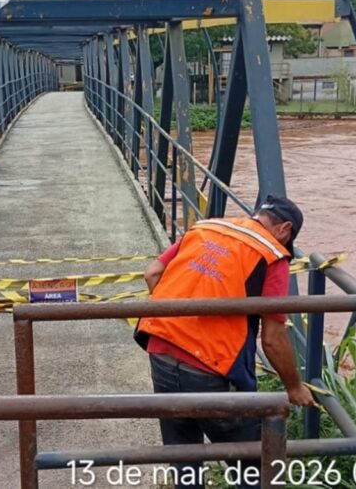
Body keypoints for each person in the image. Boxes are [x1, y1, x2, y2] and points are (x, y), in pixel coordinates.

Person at [134, 194, 316, 489]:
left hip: (161, 351)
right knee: (256, 465)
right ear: (284, 229)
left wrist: (183, 321)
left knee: (184, 458)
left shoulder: (205, 228)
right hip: (212, 370)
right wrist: (294, 386)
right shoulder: (272, 253)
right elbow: (272, 339)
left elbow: (152, 273)